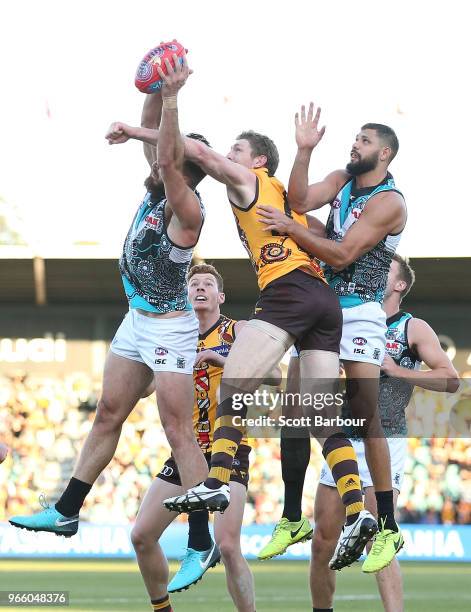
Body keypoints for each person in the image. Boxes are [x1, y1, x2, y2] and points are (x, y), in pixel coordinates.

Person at [109, 58, 377, 554]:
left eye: (236, 149)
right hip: (323, 299)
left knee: (233, 384)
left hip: (288, 291)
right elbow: (315, 212)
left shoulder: (250, 182)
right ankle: (359, 513)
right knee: (321, 418)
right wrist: (310, 157)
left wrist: (136, 128)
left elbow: (193, 152)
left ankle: (214, 480)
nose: (225, 154)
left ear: (256, 163)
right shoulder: (284, 194)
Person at [9, 54, 209, 541]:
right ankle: (67, 509)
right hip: (137, 318)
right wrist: (153, 86)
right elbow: (150, 129)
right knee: (108, 413)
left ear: (183, 163)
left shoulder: (187, 206)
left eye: (170, 151)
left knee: (178, 428)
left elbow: (163, 150)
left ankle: (201, 539)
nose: (159, 153)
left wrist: (173, 96)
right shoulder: (158, 185)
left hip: (168, 325)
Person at [257, 103, 407, 572]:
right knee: (296, 413)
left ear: (383, 153)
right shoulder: (343, 178)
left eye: (364, 140)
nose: (354, 144)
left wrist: (294, 232)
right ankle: (289, 517)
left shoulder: (389, 201)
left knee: (364, 416)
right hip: (324, 308)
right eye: (355, 139)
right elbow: (300, 199)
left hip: (360, 310)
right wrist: (303, 152)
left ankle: (386, 527)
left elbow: (342, 255)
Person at [309, 255, 459, 612]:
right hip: (342, 439)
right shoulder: (347, 319)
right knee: (322, 541)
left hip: (385, 437)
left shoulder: (412, 328)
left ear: (399, 285)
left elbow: (450, 378)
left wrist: (397, 371)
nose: (372, 270)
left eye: (384, 268)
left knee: (379, 537)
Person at [132, 263, 259, 612]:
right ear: (186, 295)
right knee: (141, 536)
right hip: (186, 453)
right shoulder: (174, 339)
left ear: (220, 296)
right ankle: (162, 609)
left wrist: (217, 358)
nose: (199, 288)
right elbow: (143, 389)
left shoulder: (239, 331)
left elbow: (274, 375)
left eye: (207, 284)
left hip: (228, 451)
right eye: (193, 284)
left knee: (229, 545)